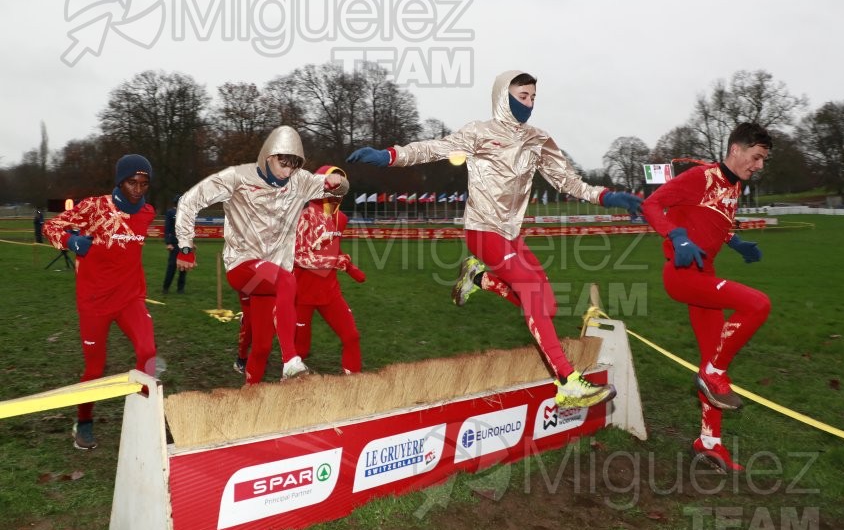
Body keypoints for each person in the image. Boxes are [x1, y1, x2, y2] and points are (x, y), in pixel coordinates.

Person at [347, 70, 642, 408]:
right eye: (522, 96)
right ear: (504, 97)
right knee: (530, 288)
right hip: (482, 230)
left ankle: (480, 278)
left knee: (546, 307)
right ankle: (567, 381)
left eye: (533, 98)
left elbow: (568, 182)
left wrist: (607, 196)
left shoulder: (538, 139)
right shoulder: (480, 132)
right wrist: (390, 155)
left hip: (512, 234)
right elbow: (434, 148)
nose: (529, 104)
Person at [641, 122, 773, 472]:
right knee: (757, 304)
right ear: (736, 150)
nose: (760, 165)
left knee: (710, 357)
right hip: (682, 275)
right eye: (757, 157)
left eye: (764, 160)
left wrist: (736, 241)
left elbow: (718, 219)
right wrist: (677, 235)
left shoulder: (736, 185)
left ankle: (709, 442)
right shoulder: (701, 176)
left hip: (706, 276)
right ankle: (713, 373)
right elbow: (652, 205)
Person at [175, 126, 348, 384]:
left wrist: (339, 184)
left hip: (269, 277)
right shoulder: (237, 178)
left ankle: (250, 394)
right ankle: (290, 360)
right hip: (242, 265)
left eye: (293, 166)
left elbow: (340, 188)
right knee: (288, 281)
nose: (287, 172)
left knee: (262, 346)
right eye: (283, 164)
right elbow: (190, 200)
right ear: (268, 156)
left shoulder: (299, 181)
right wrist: (186, 246)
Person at [42, 154, 157, 450]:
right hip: (94, 301)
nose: (138, 188)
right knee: (95, 370)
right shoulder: (95, 207)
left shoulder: (146, 212)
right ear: (121, 180)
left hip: (130, 298)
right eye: (132, 181)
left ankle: (143, 415)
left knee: (148, 352)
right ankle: (84, 421)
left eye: (144, 183)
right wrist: (71, 242)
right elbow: (51, 226)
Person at [292, 165, 366, 374]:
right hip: (302, 294)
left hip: (330, 291)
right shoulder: (304, 217)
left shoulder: (340, 219)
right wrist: (335, 261)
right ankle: (288, 391)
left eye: (339, 185)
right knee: (300, 350)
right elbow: (298, 257)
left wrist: (351, 268)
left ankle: (355, 384)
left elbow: (333, 249)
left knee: (351, 336)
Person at [162, 195, 186, 294]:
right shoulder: (171, 212)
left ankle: (180, 289)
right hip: (174, 244)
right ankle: (165, 288)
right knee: (172, 266)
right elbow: (167, 228)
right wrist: (168, 243)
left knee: (183, 266)